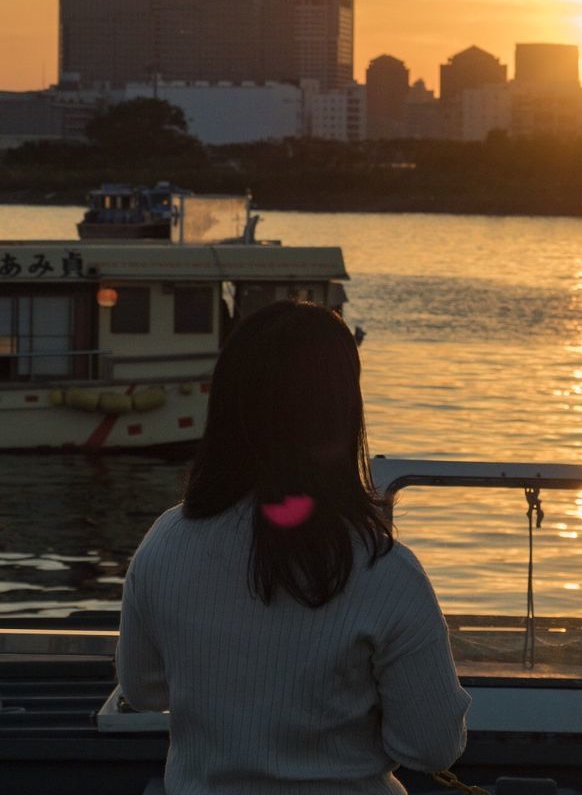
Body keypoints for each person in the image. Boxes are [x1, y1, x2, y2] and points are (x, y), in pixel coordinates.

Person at [117, 301, 470, 795]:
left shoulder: (164, 544)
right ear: (341, 413)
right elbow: (431, 747)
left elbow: (143, 690)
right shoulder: (384, 571)